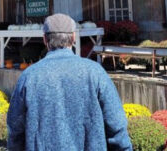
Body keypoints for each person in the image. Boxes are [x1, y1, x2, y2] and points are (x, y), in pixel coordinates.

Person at [7, 13, 132, 151]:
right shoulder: (95, 72)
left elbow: (15, 130)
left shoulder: (29, 76)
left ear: (44, 39)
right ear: (73, 38)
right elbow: (116, 126)